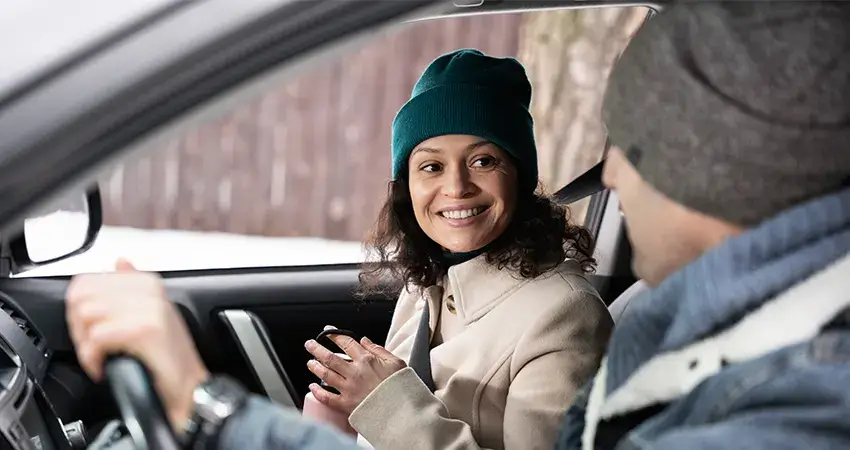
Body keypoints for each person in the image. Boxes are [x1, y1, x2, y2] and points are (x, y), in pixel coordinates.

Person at [66, 49, 613, 450]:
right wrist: (350, 413)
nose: (456, 188)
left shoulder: (564, 315)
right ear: (407, 186)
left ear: (520, 177)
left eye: (483, 160)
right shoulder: (431, 281)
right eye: (430, 166)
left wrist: (386, 403)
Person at [555, 2, 850, 449]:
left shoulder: (792, 413)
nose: (609, 178)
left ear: (702, 171)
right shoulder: (696, 321)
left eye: (627, 147)